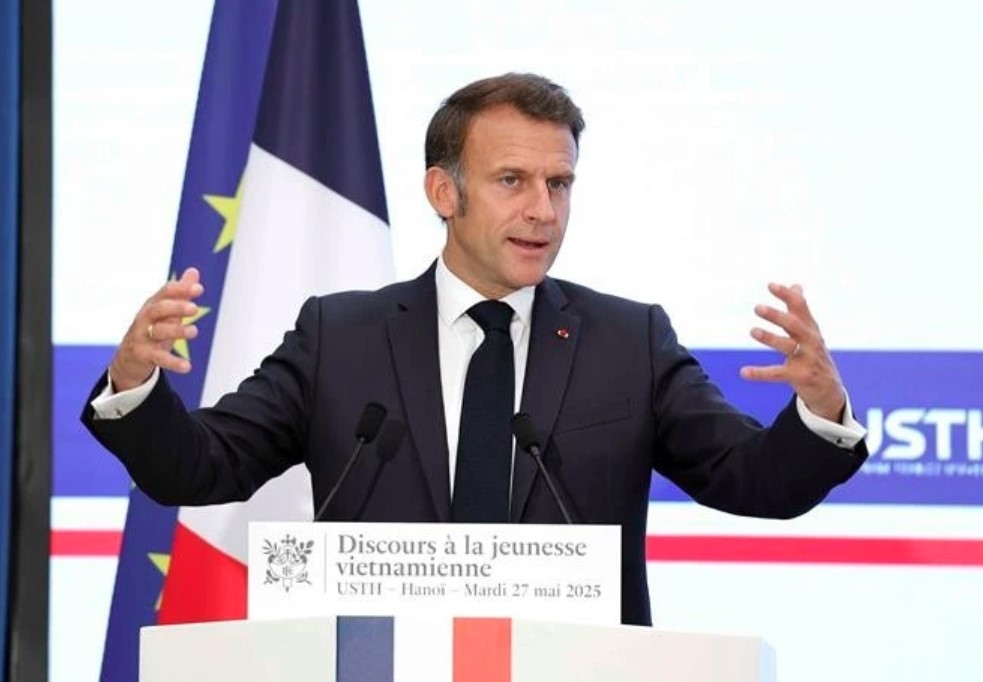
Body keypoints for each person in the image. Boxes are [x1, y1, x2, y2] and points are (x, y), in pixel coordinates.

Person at [82, 72, 867, 626]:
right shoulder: (340, 337)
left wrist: (821, 410)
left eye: (559, 184)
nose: (543, 211)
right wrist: (133, 382)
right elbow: (201, 467)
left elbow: (754, 481)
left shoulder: (629, 342)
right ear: (443, 192)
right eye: (512, 181)